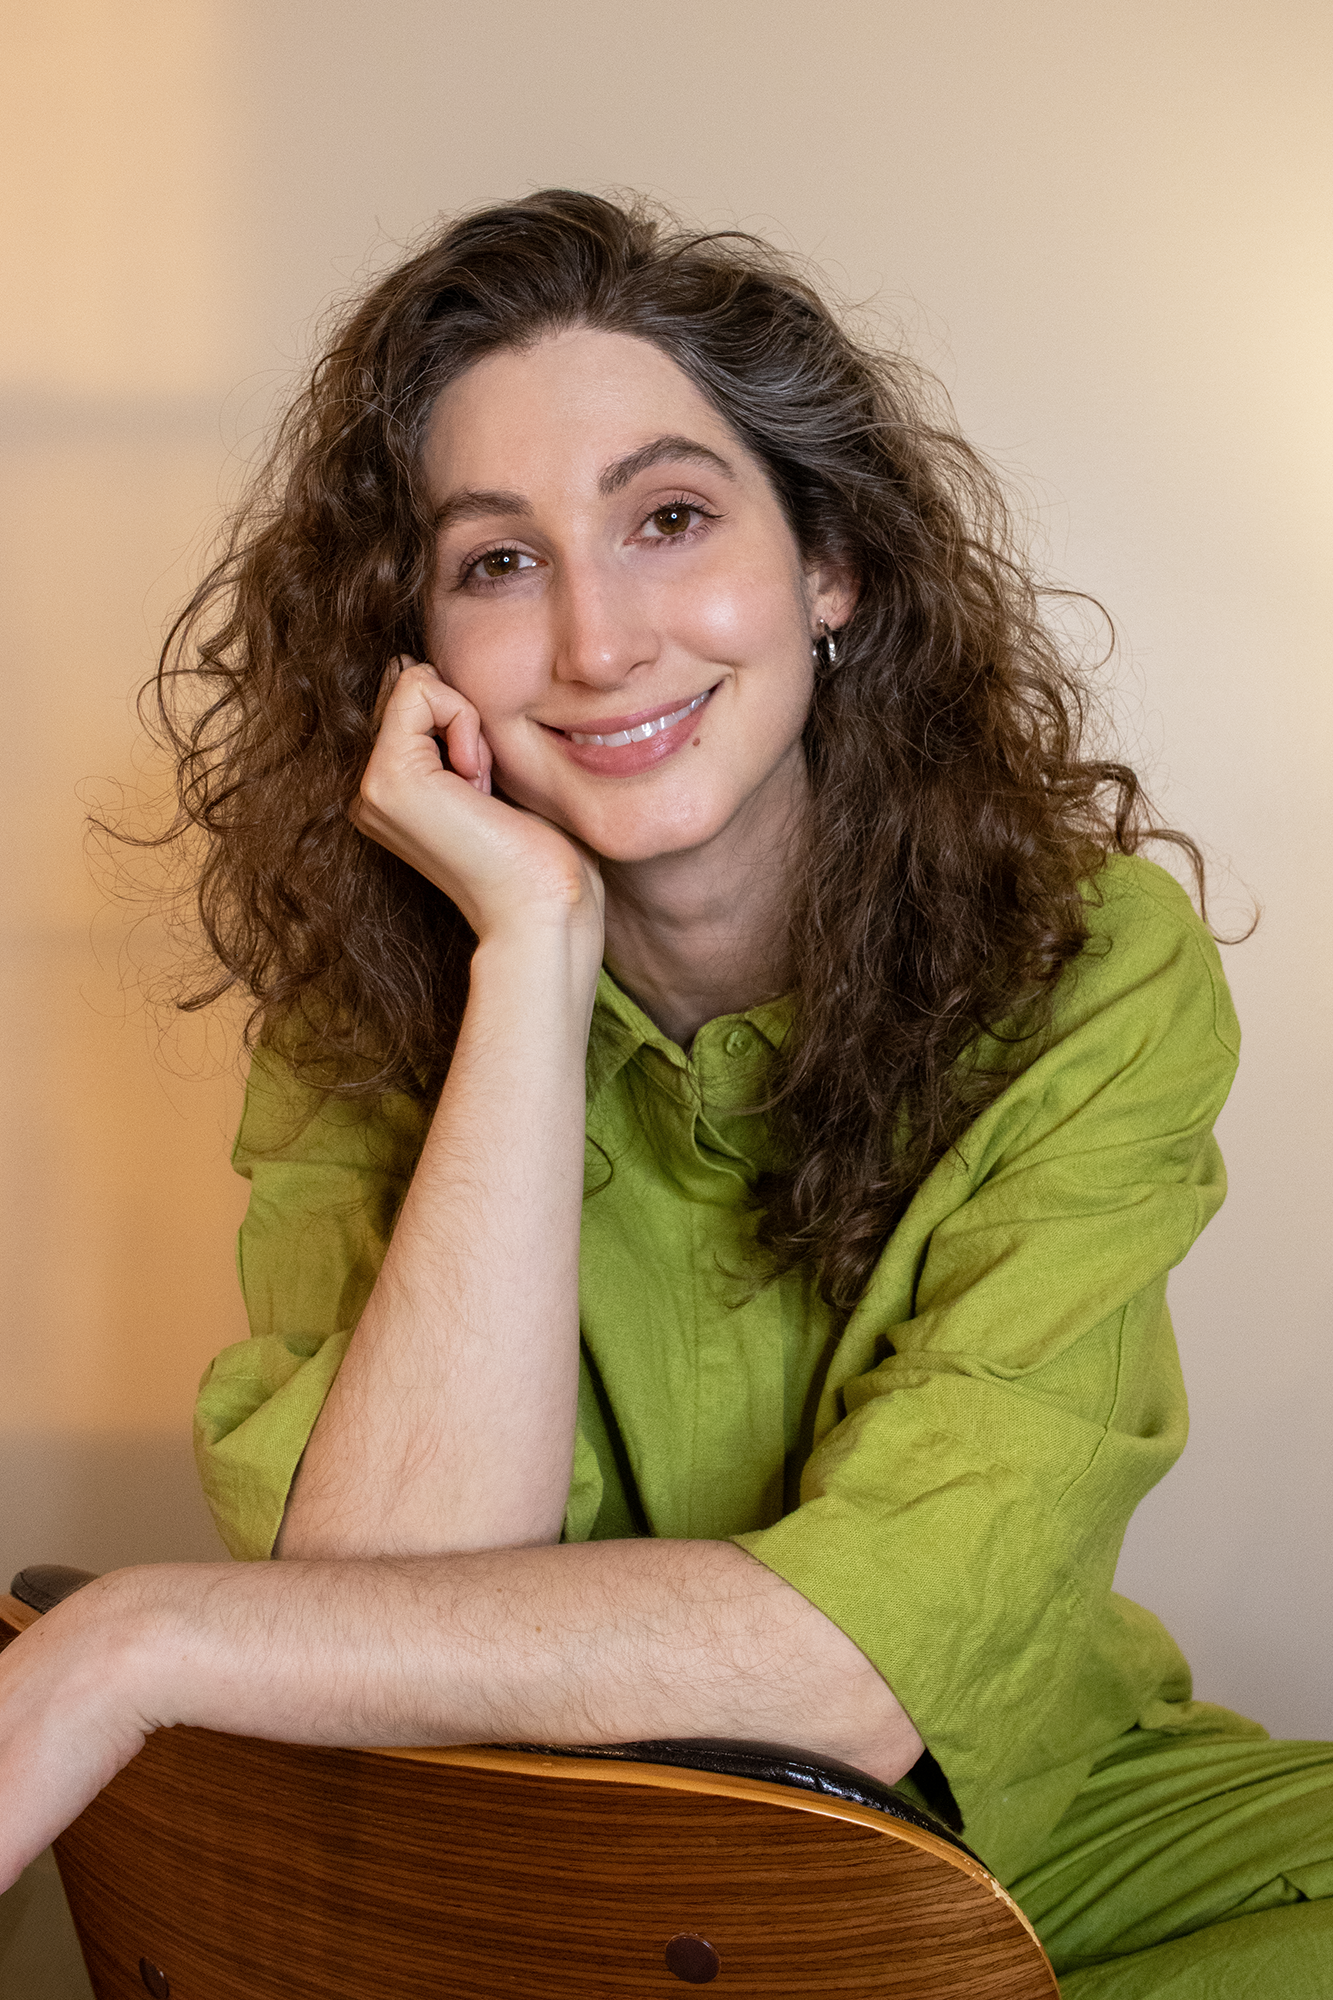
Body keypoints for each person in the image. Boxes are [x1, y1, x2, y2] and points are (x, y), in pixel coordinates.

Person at [1, 190, 1328, 1993]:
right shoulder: (362, 1014)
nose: (600, 643)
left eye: (672, 519)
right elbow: (380, 1603)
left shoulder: (1089, 963)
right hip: (550, 1874)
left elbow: (870, 1674)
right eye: (497, 562)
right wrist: (531, 954)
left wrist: (136, 1642)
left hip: (1027, 1816)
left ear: (830, 569)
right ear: (415, 656)